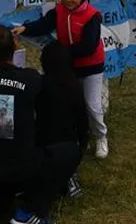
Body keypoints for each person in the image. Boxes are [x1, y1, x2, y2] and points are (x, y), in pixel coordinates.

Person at [0, 24, 68, 224]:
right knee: (67, 151)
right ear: (14, 48)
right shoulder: (30, 78)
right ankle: (30, 211)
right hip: (21, 171)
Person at [12, 0, 109, 159]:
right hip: (68, 67)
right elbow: (44, 24)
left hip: (91, 68)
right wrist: (25, 28)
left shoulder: (92, 16)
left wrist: (62, 53)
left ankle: (101, 136)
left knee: (91, 105)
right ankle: (77, 135)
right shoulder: (59, 10)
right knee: (69, 103)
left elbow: (88, 47)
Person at [37, 41, 88, 198]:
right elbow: (82, 121)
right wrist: (83, 143)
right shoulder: (75, 86)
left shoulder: (41, 85)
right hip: (71, 147)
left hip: (44, 146)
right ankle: (69, 176)